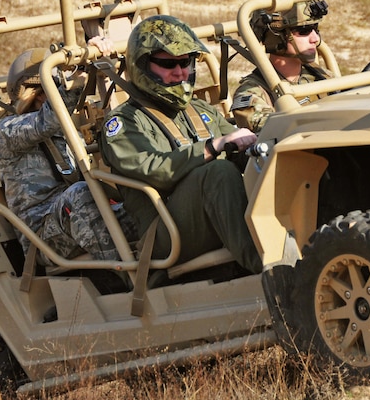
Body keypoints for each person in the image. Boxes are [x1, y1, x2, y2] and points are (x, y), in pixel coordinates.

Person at [100, 15, 263, 275]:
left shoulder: (199, 109)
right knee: (218, 173)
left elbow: (241, 146)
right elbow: (156, 171)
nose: (180, 72)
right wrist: (212, 147)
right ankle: (270, 269)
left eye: (185, 62)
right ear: (142, 65)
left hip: (210, 212)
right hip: (166, 233)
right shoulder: (123, 122)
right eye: (168, 64)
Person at [0, 44, 136, 265]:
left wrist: (96, 57)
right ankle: (130, 278)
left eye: (55, 87)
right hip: (44, 237)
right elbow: (46, 121)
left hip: (82, 215)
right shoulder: (7, 131)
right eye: (45, 91)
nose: (48, 97)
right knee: (79, 194)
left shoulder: (65, 123)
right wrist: (79, 74)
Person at [231, 0, 331, 132]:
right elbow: (275, 129)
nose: (315, 39)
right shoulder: (253, 92)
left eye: (315, 29)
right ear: (277, 38)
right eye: (304, 31)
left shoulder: (321, 76)